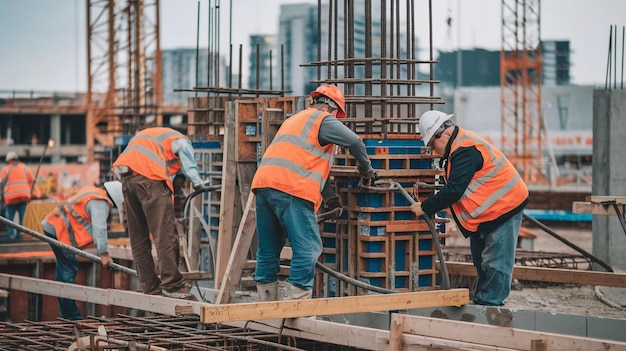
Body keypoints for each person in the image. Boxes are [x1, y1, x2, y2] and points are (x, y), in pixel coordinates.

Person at [251, 84, 377, 301]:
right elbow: (355, 142)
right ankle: (296, 305)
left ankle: (266, 304)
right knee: (307, 247)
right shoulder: (323, 120)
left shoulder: (294, 120)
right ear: (332, 108)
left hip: (264, 186)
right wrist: (366, 168)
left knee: (268, 248)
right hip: (292, 188)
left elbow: (310, 162)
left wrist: (330, 198)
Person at [411, 110, 529, 306]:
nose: (434, 149)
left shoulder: (464, 150)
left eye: (433, 143)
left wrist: (425, 207)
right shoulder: (456, 150)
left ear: (446, 134)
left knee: (496, 262)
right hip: (486, 213)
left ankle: (492, 305)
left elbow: (454, 190)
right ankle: (483, 300)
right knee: (481, 260)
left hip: (504, 207)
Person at [112, 127, 205, 300]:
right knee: (165, 233)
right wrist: (197, 181)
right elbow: (183, 149)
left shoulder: (149, 136)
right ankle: (172, 285)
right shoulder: (178, 139)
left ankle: (149, 287)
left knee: (138, 237)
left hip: (126, 178)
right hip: (148, 177)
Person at [41, 181, 124, 320]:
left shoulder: (91, 191)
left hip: (53, 226)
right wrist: (104, 253)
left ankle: (67, 314)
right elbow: (100, 228)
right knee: (67, 271)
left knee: (63, 271)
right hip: (60, 232)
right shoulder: (99, 202)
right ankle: (71, 317)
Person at [1, 151, 35, 241]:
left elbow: (1, 183)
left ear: (8, 160)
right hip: (23, 197)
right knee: (21, 220)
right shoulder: (25, 168)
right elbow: (32, 180)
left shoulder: (6, 169)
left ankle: (11, 237)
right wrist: (30, 193)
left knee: (10, 220)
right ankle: (19, 236)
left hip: (10, 198)